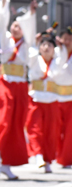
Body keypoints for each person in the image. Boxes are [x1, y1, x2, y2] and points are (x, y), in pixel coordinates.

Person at [0, 0, 36, 180]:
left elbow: (31, 27)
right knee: (4, 119)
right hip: (6, 83)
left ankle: (6, 164)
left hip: (21, 86)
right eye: (14, 24)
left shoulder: (28, 44)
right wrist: (4, 0)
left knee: (16, 123)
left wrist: (32, 13)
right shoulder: (6, 39)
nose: (16, 27)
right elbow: (1, 21)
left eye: (19, 25)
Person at [26, 32, 61, 173]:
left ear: (54, 49)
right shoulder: (35, 60)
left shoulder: (58, 61)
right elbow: (31, 53)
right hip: (36, 99)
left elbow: (63, 53)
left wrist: (59, 42)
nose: (46, 47)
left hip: (52, 100)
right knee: (35, 128)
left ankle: (47, 159)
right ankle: (38, 155)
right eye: (44, 45)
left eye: (50, 45)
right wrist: (35, 41)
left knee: (51, 132)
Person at [57, 27, 72, 168]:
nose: (67, 42)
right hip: (55, 97)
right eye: (64, 38)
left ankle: (66, 159)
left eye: (69, 39)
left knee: (69, 132)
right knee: (56, 130)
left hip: (71, 98)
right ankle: (55, 155)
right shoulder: (55, 52)